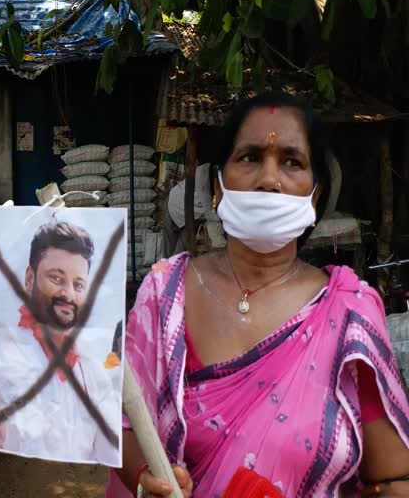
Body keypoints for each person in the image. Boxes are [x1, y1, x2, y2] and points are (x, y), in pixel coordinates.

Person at [110, 92, 409, 497]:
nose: (269, 179)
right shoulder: (163, 295)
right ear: (217, 185)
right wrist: (147, 478)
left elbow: (392, 479)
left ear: (315, 194)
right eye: (250, 157)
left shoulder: (349, 313)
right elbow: (123, 422)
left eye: (292, 161)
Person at [0, 221, 121, 466]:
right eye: (57, 278)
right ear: (29, 278)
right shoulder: (0, 356)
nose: (68, 294)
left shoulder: (92, 371)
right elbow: (7, 451)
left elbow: (109, 450)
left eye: (78, 285)